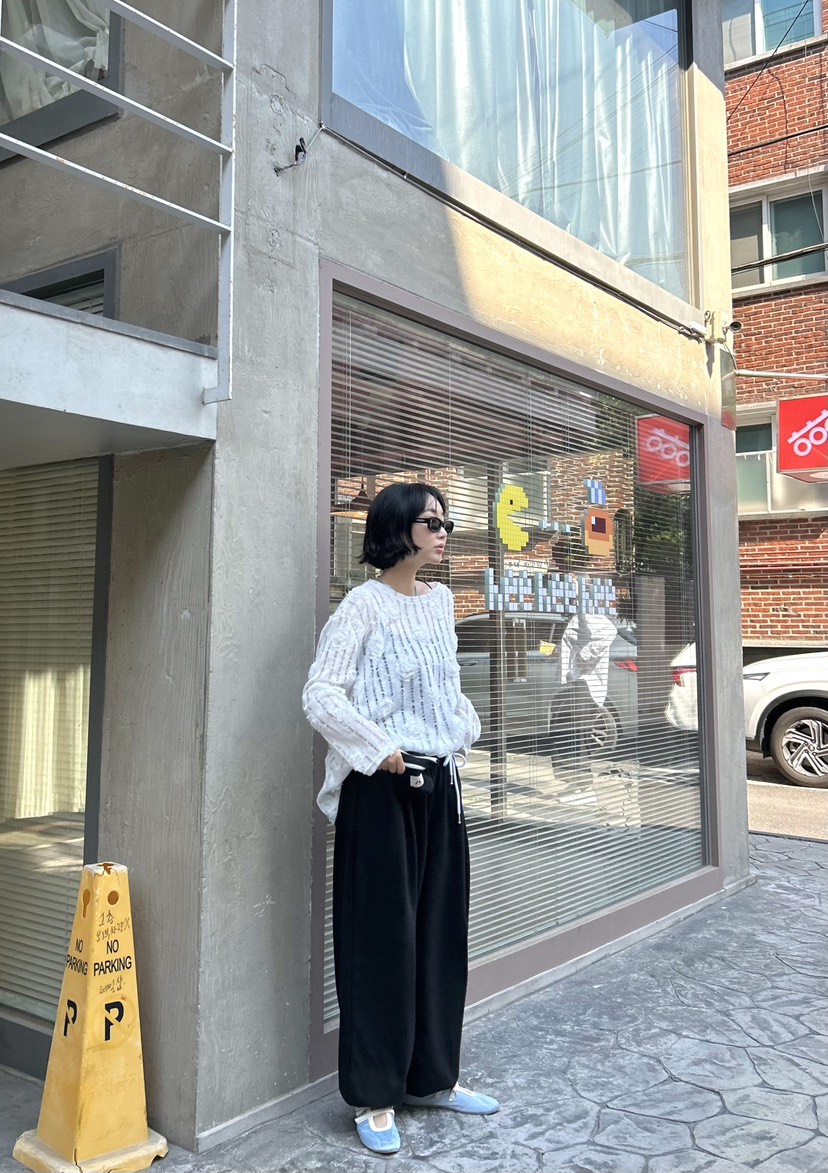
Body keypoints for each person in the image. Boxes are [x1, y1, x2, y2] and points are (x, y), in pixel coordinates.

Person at [303, 482, 499, 1155]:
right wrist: (378, 748)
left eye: (446, 522)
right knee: (381, 940)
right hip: (382, 787)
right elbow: (320, 694)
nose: (443, 533)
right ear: (397, 529)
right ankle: (374, 1093)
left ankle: (432, 1078)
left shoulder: (441, 601)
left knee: (441, 934)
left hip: (440, 783)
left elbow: (446, 688)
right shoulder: (362, 606)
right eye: (431, 522)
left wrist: (461, 732)